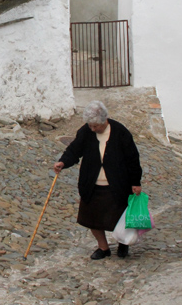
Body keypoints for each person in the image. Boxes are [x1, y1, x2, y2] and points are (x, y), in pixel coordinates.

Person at [54, 100, 143, 260]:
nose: (93, 129)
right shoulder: (86, 132)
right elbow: (74, 150)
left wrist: (135, 182)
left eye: (96, 126)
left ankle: (123, 243)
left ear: (105, 120)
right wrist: (63, 162)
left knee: (119, 218)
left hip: (117, 184)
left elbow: (132, 159)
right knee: (92, 219)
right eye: (91, 125)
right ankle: (103, 248)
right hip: (92, 184)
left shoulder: (120, 132)